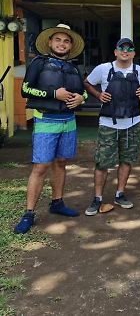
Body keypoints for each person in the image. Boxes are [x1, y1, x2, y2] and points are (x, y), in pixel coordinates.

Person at [14, 24, 87, 234]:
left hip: (69, 121)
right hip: (46, 120)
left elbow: (83, 93)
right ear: (50, 42)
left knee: (61, 162)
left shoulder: (74, 67)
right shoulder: (39, 63)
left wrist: (82, 98)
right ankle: (28, 213)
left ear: (71, 45)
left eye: (66, 41)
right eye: (58, 40)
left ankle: (57, 202)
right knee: (41, 167)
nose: (62, 44)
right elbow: (25, 89)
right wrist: (54, 94)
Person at [83, 38, 140, 216]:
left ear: (134, 53)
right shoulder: (103, 69)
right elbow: (87, 82)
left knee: (127, 160)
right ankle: (97, 198)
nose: (125, 51)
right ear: (115, 51)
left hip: (132, 123)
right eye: (121, 48)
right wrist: (98, 95)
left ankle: (119, 193)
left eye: (129, 48)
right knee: (102, 162)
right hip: (108, 123)